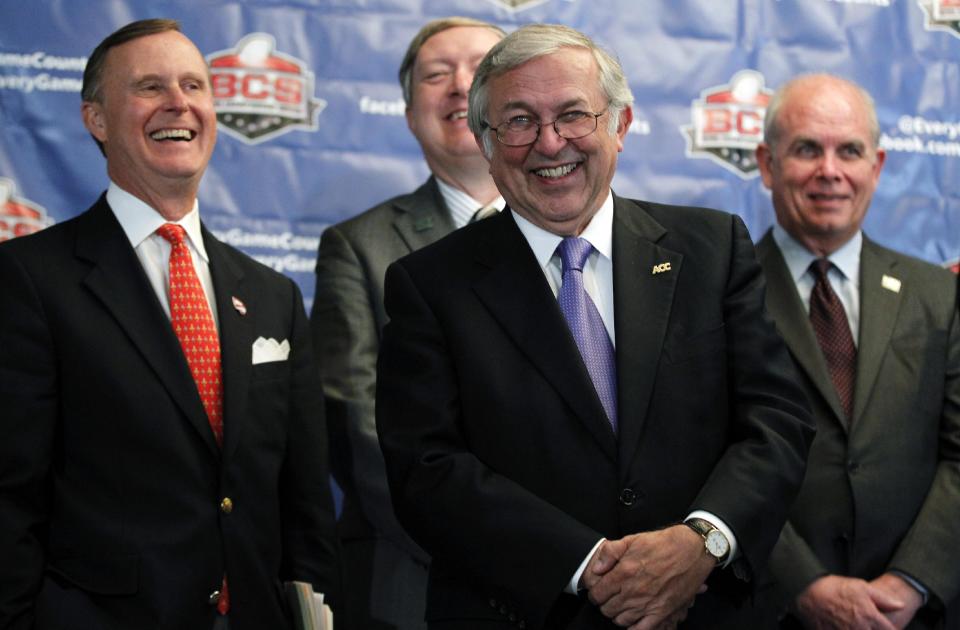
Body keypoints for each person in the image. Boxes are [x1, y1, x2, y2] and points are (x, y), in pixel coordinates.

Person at [375, 23, 815, 630]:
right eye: (520, 120)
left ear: (621, 125)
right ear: (486, 142)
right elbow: (427, 470)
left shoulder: (712, 249)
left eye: (574, 115)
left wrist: (701, 543)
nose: (551, 143)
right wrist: (590, 566)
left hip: (707, 611)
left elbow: (777, 422)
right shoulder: (429, 285)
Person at [0, 19, 340, 630]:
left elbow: (305, 500)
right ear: (97, 120)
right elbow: (8, 496)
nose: (179, 104)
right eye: (149, 87)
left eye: (194, 85)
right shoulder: (27, 279)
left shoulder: (273, 295)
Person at [309, 16, 504, 630]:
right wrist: (484, 551)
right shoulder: (358, 246)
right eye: (435, 75)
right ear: (409, 113)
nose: (459, 86)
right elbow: (361, 425)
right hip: (417, 587)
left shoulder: (585, 242)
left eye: (479, 69)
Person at [754, 73, 960, 629]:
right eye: (806, 150)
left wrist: (910, 584)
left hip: (916, 615)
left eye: (849, 151)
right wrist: (804, 586)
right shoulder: (723, 291)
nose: (830, 171)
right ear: (767, 164)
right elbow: (703, 456)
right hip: (773, 610)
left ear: (878, 165)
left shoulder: (940, 295)